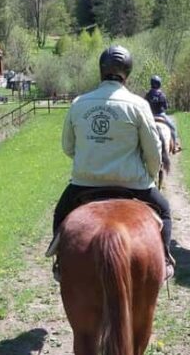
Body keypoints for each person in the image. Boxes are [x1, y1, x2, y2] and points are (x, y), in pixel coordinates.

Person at [51, 45, 175, 281]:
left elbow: (68, 147)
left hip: (84, 183)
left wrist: (90, 161)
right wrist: (149, 175)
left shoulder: (79, 103)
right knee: (165, 210)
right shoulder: (139, 105)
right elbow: (153, 151)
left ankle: (59, 260)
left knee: (60, 212)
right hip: (133, 184)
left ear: (101, 70)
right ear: (127, 73)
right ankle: (165, 258)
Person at [144, 75, 181, 152]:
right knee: (173, 127)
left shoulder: (147, 94)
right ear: (159, 84)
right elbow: (165, 107)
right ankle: (175, 146)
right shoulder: (161, 95)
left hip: (150, 116)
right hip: (161, 115)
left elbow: (145, 105)